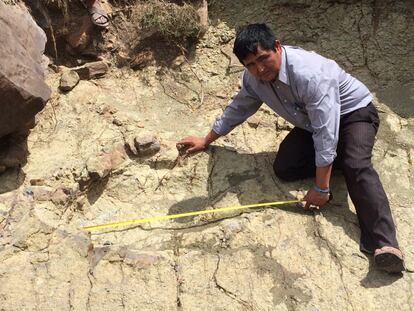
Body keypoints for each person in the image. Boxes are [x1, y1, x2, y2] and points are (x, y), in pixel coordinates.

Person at [177, 23, 405, 273]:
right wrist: (206, 139)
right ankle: (340, 160)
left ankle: (386, 245)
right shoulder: (253, 79)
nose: (260, 69)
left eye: (264, 58)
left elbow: (326, 133)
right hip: (312, 123)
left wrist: (321, 187)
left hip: (354, 114)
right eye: (250, 65)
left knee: (356, 165)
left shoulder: (310, 73)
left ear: (277, 46)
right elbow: (240, 108)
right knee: (284, 167)